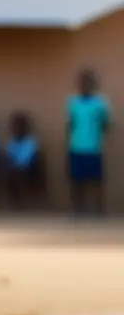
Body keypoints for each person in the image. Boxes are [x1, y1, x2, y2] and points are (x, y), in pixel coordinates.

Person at [66, 69, 112, 216]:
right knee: (76, 181)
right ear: (79, 85)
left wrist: (98, 136)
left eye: (89, 82)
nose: (85, 85)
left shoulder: (100, 103)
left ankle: (99, 210)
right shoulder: (73, 103)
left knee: (97, 181)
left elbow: (107, 125)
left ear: (94, 84)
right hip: (76, 146)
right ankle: (76, 210)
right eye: (83, 82)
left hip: (94, 148)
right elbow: (70, 124)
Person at [5, 111, 44, 211]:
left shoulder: (32, 141)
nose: (18, 129)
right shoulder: (11, 142)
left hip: (30, 169)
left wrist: (24, 166)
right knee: (11, 174)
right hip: (15, 169)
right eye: (16, 127)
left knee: (24, 174)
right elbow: (10, 158)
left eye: (20, 126)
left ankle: (26, 204)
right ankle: (17, 204)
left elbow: (35, 158)